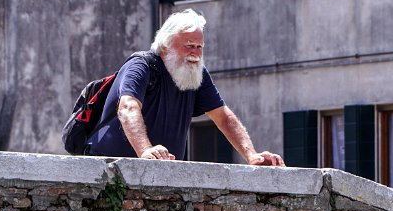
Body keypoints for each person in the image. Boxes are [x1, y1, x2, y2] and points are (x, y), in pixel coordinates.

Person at [85, 9, 285, 166]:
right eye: (189, 45)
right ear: (165, 46)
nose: (195, 53)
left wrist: (252, 156)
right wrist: (146, 151)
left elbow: (223, 117)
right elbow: (128, 107)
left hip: (164, 174)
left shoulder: (196, 73)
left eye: (199, 47)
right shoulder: (141, 66)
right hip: (110, 170)